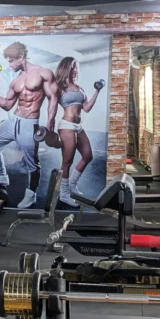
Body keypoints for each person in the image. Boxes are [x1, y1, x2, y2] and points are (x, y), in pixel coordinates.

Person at [0, 42, 59, 209]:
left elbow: (53, 98)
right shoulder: (15, 81)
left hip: (29, 124)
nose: (9, 65)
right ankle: (2, 176)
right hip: (13, 121)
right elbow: (7, 105)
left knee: (32, 164)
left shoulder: (43, 73)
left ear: (21, 57)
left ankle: (31, 195)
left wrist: (49, 125)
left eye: (11, 61)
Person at [54, 57, 102, 207]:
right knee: (67, 161)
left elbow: (86, 108)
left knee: (88, 156)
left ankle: (72, 185)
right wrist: (49, 129)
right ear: (66, 68)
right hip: (66, 125)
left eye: (77, 67)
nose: (75, 70)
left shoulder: (79, 88)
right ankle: (64, 194)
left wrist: (97, 90)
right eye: (73, 67)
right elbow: (52, 106)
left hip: (78, 126)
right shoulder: (59, 87)